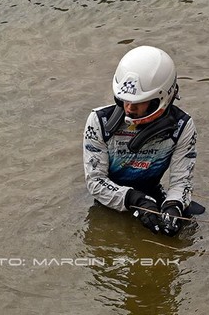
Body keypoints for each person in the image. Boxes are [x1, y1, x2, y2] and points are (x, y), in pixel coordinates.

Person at [83, 45, 199, 237]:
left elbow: (181, 182)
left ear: (161, 98)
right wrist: (134, 199)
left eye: (138, 103)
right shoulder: (99, 122)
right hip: (110, 197)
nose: (129, 108)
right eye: (124, 100)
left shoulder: (182, 126)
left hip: (152, 193)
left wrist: (174, 206)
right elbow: (95, 181)